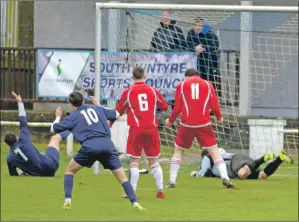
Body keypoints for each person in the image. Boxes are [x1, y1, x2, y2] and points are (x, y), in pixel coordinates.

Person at [51, 92, 145, 211]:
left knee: (70, 171)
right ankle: (135, 203)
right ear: (84, 101)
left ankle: (67, 201)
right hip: (107, 145)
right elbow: (116, 113)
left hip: (90, 146)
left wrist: (58, 116)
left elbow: (53, 128)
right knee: (122, 178)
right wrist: (99, 105)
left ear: (70, 104)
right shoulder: (98, 109)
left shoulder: (73, 116)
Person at [165, 68, 236, 189]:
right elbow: (215, 105)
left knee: (178, 150)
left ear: (187, 76)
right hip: (204, 124)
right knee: (214, 151)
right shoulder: (208, 85)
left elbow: (177, 108)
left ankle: (172, 181)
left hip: (186, 124)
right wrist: (219, 117)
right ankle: (225, 177)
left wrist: (170, 121)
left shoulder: (182, 85)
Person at [107, 66, 169, 198]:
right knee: (154, 160)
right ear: (145, 76)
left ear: (132, 77)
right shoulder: (153, 91)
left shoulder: (128, 92)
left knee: (134, 160)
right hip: (152, 129)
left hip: (136, 129)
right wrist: (154, 112)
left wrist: (110, 123)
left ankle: (132, 192)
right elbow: (164, 106)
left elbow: (119, 110)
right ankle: (160, 191)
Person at [4, 91, 69, 177]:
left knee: (38, 156)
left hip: (42, 174)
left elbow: (13, 175)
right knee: (54, 139)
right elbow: (23, 120)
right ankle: (70, 128)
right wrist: (20, 102)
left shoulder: (9, 158)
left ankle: (28, 171)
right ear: (17, 138)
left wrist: (23, 171)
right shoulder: (23, 139)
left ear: (8, 144)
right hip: (51, 165)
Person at [191, 149, 294, 180]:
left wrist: (195, 174)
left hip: (234, 162)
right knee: (262, 175)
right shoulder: (216, 159)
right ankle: (280, 159)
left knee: (242, 173)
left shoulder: (208, 156)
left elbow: (203, 173)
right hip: (239, 162)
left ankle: (264, 158)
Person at [186, 17, 221, 98]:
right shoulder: (191, 33)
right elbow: (187, 44)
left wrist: (202, 48)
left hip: (209, 64)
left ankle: (210, 102)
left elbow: (215, 46)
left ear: (203, 26)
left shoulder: (210, 34)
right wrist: (194, 48)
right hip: (195, 64)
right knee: (195, 83)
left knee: (208, 83)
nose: (197, 27)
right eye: (196, 25)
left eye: (199, 25)